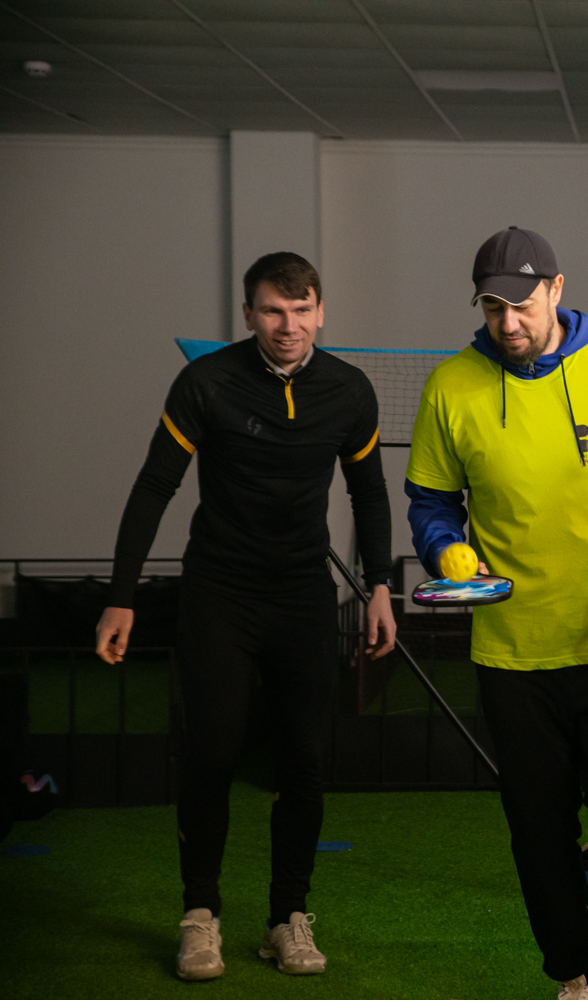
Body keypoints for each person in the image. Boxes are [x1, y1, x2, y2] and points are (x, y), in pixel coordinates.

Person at [405, 227, 588, 1000]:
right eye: (492, 307)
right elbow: (430, 501)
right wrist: (446, 551)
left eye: (523, 304)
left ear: (558, 291)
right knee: (538, 829)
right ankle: (573, 975)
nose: (509, 323)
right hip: (513, 652)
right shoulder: (450, 387)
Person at [95, 252, 397, 981]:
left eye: (301, 310)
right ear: (248, 315)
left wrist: (381, 587)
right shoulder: (206, 382)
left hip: (303, 598)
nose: (288, 326)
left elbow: (368, 493)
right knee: (211, 754)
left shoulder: (350, 391)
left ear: (320, 311)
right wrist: (121, 594)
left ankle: (287, 919)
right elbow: (154, 486)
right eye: (272, 311)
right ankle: (200, 916)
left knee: (304, 760)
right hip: (219, 595)